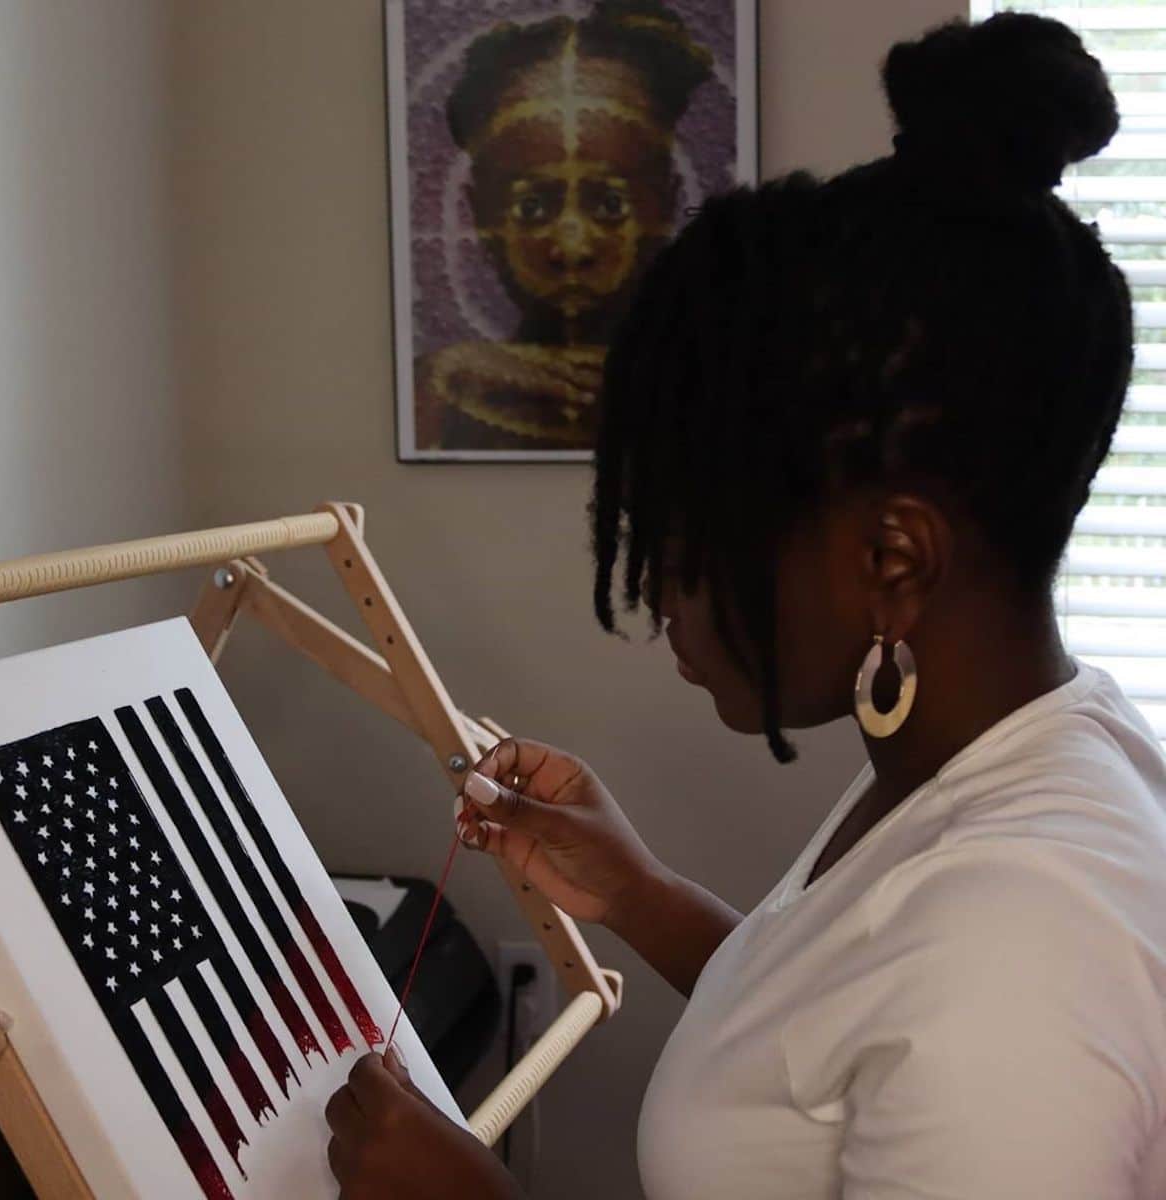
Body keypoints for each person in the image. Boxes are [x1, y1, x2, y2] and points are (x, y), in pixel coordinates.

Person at [327, 12, 1166, 1197]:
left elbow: (943, 1006)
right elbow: (845, 1038)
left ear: (893, 560)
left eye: (690, 532)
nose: (657, 589)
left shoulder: (1018, 946)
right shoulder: (1023, 746)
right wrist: (642, 897)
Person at [413, 0, 712, 452]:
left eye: (610, 203)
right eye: (532, 207)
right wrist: (436, 387)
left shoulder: (721, 393)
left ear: (667, 200)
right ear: (480, 213)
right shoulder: (446, 393)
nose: (571, 249)